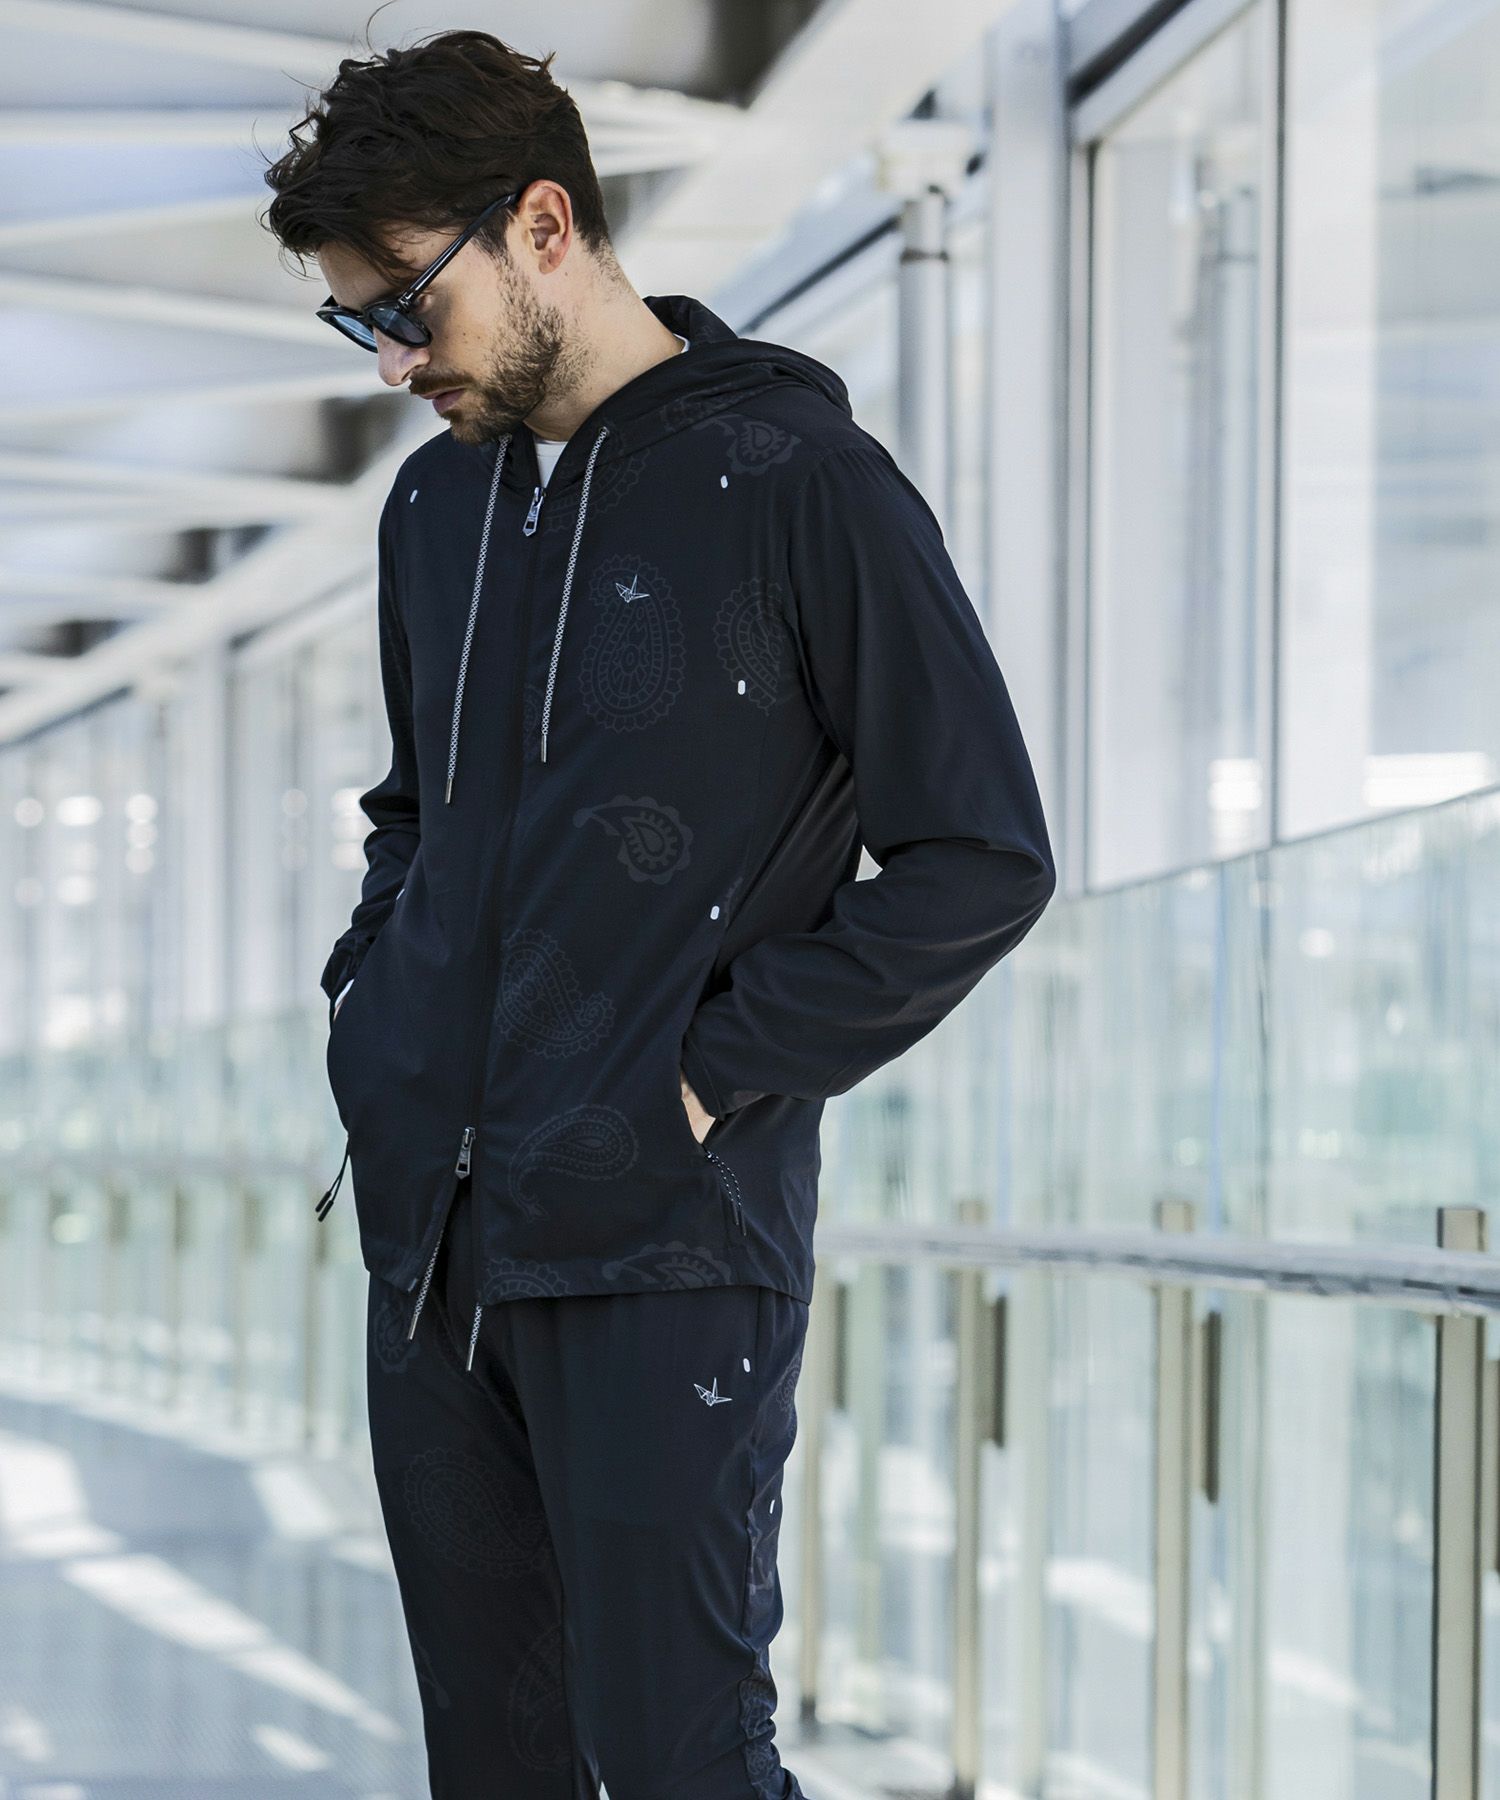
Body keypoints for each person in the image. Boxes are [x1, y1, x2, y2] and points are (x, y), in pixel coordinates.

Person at [261, 27, 1054, 1800]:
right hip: (433, 1250)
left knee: (681, 1762)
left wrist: (700, 1077)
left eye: (407, 304)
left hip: (667, 1249)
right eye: (355, 324)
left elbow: (982, 855)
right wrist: (376, 1016)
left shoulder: (798, 482)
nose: (393, 362)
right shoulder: (435, 508)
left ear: (544, 224)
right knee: (498, 1764)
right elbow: (413, 815)